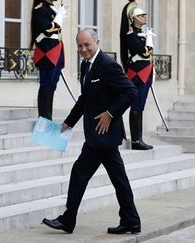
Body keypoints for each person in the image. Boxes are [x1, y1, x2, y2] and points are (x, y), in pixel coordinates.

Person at [42, 28, 141, 234]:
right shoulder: (86, 65)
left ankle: (69, 220)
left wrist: (110, 114)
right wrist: (67, 124)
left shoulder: (108, 65)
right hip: (98, 136)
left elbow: (131, 92)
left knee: (82, 174)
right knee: (115, 179)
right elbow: (84, 99)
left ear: (96, 42)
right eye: (79, 46)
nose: (83, 49)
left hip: (104, 134)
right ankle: (130, 220)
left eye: (87, 44)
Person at [120, 1, 154, 150]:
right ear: (134, 19)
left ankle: (139, 137)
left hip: (145, 73)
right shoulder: (131, 35)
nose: (144, 17)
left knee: (141, 105)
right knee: (136, 105)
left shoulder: (143, 34)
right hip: (137, 74)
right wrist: (149, 39)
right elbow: (143, 51)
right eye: (140, 15)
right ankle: (135, 140)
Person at [30, 0, 66, 120]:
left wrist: (59, 14)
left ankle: (47, 117)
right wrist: (60, 16)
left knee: (52, 86)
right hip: (47, 52)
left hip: (55, 51)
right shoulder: (40, 9)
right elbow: (47, 30)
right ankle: (44, 118)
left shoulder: (52, 9)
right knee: (46, 85)